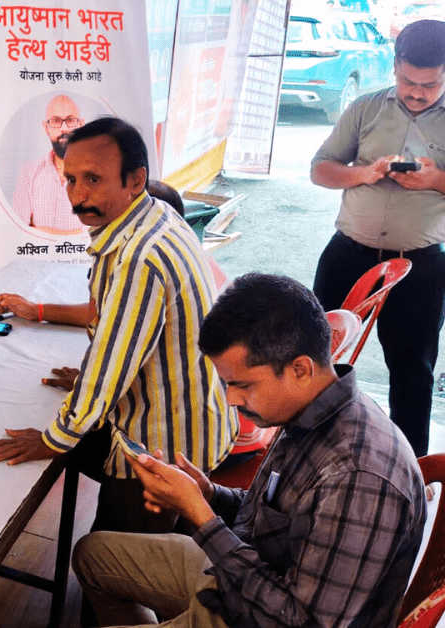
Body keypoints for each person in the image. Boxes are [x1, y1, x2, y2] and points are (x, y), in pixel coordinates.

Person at [74, 273, 425, 628]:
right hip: (248, 579)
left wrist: (201, 517)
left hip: (268, 616)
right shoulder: (311, 407)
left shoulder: (358, 476)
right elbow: (282, 513)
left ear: (300, 369)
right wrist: (209, 495)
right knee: (92, 555)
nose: (231, 399)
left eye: (243, 385)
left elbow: (299, 622)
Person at [0, 117, 236, 533]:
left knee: (110, 559)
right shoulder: (154, 217)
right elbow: (111, 325)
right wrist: (80, 371)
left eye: (93, 179)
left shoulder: (139, 258)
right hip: (193, 420)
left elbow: (109, 370)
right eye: (70, 180)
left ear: (135, 180)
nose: (77, 195)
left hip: (162, 446)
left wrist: (51, 439)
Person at [309, 18, 445, 458]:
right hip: (348, 254)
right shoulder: (366, 108)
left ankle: (411, 470)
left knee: (413, 371)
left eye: (429, 85)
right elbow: (320, 169)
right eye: (408, 81)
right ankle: (311, 455)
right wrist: (364, 173)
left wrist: (435, 180)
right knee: (318, 358)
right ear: (395, 65)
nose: (417, 93)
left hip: (421, 264)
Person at [11, 94, 87, 234]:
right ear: (46, 127)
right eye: (56, 121)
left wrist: (38, 231)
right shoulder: (29, 173)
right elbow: (18, 231)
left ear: (81, 125)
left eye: (70, 120)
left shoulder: (99, 173)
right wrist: (75, 234)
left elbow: (101, 232)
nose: (64, 129)